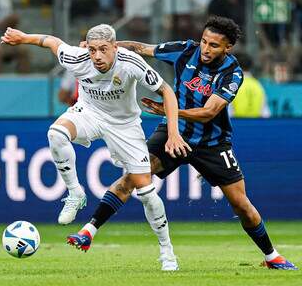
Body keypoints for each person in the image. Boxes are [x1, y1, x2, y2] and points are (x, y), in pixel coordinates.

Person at [71, 16, 297, 270]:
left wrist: (167, 110)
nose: (206, 49)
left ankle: (271, 256)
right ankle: (88, 231)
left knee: (241, 205)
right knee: (131, 178)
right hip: (171, 133)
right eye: (204, 41)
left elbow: (209, 112)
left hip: (212, 143)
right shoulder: (186, 50)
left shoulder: (232, 73)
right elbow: (142, 48)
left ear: (227, 48)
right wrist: (107, 45)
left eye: (214, 45)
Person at [1, 23, 191, 271]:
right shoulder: (77, 58)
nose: (97, 56)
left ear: (114, 46)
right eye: (92, 50)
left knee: (146, 192)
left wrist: (173, 133)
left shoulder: (131, 62)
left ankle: (167, 252)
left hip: (125, 125)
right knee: (56, 134)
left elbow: (167, 92)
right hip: (89, 113)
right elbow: (51, 41)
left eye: (103, 49)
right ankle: (75, 193)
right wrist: (24, 37)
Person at [230, 53, 271, 118]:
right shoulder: (258, 86)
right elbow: (266, 114)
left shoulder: (232, 86)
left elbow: (227, 115)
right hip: (256, 126)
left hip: (236, 125)